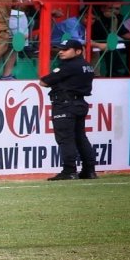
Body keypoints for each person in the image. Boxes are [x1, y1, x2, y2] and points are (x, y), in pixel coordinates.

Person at [40, 40, 98, 181]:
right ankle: (89, 171)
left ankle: (69, 171)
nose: (61, 51)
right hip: (79, 103)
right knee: (80, 138)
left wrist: (58, 83)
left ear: (78, 51)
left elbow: (44, 81)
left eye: (66, 49)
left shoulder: (69, 66)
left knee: (66, 139)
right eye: (60, 49)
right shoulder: (87, 66)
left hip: (65, 104)